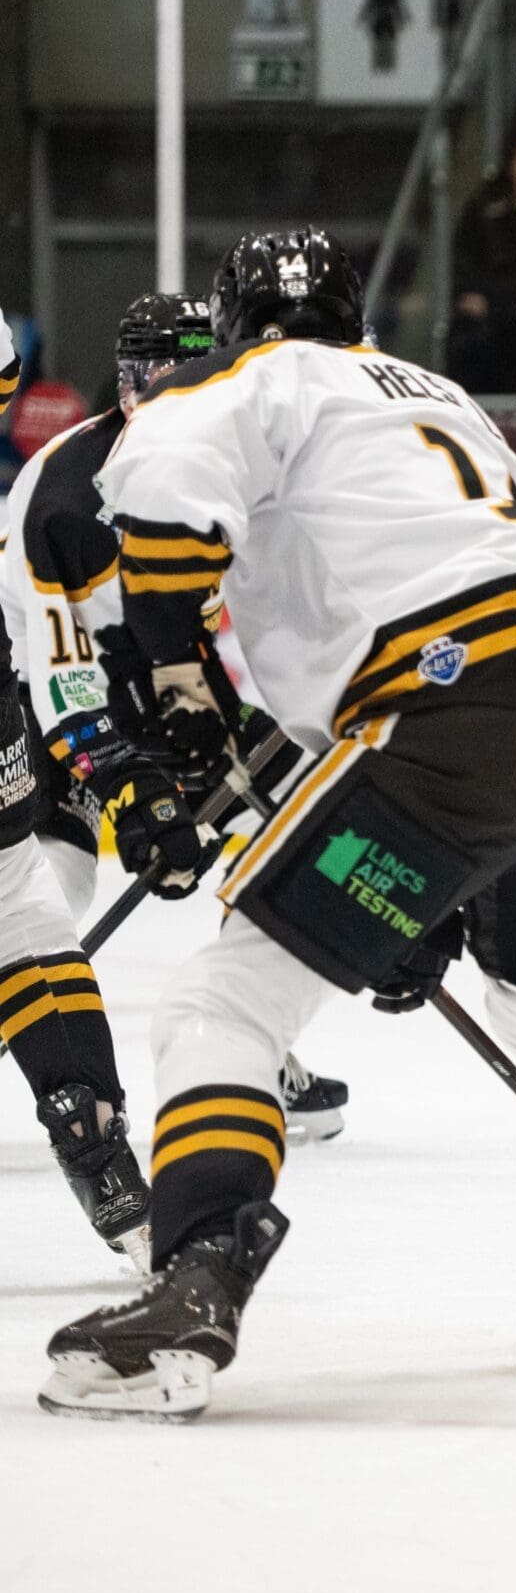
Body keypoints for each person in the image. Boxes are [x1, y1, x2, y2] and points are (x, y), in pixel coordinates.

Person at [40, 228, 516, 1423]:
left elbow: (157, 500)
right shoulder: (428, 391)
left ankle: (193, 1282)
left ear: (237, 320)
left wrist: (177, 695)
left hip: (460, 719)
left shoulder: (247, 380)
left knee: (223, 1001)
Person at [0, 297, 236, 1265]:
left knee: (29, 911)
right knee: (31, 909)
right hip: (64, 695)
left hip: (141, 694)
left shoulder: (237, 463)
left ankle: (259, 1042)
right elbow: (59, 675)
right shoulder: (57, 497)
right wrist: (131, 779)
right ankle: (103, 1153)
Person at [450, 131, 516, 394]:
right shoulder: (485, 213)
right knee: (472, 335)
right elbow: (463, 278)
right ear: (512, 169)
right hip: (497, 319)